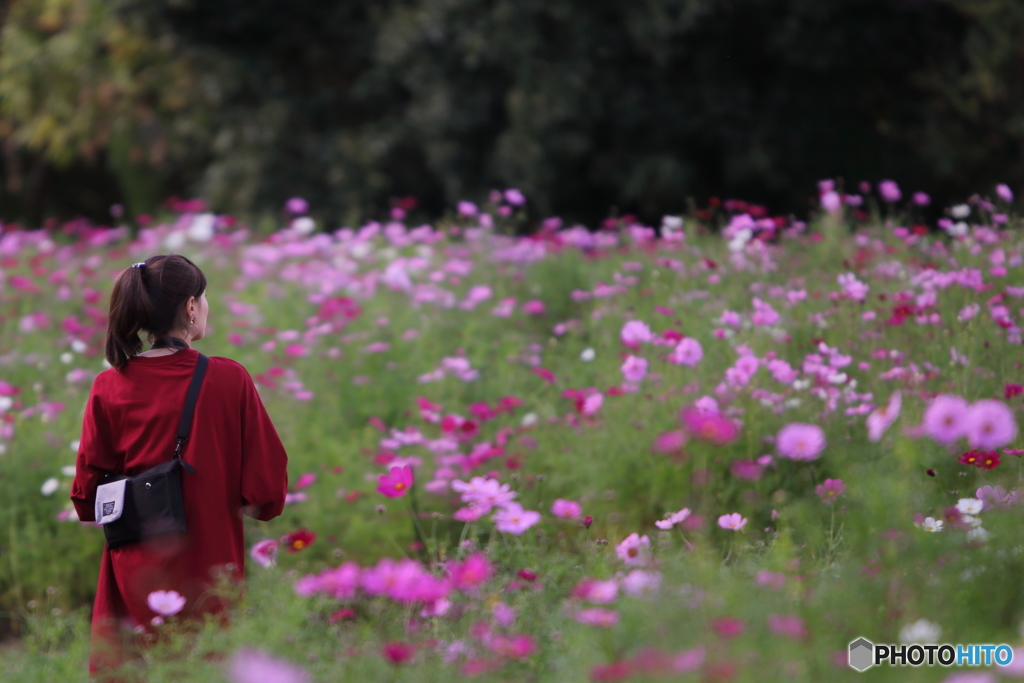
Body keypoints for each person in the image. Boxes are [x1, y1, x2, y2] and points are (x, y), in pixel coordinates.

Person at [70, 254, 289, 679]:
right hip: (210, 565)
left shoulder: (109, 385)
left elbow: (86, 496)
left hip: (134, 565)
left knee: (138, 666)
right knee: (206, 664)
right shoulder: (229, 379)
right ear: (190, 306)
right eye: (204, 299)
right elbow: (266, 492)